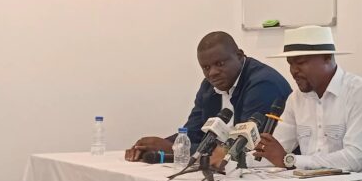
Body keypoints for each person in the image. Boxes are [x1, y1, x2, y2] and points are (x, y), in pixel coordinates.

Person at [125, 31, 291, 160]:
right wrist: (156, 146)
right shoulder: (209, 86)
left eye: (220, 64)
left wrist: (175, 149)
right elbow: (193, 132)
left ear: (239, 56)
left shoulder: (263, 84)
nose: (212, 73)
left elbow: (243, 146)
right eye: (206, 67)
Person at [252, 25, 362, 172]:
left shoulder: (361, 93)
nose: (293, 71)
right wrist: (235, 160)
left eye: (300, 63)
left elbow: (356, 158)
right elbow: (274, 153)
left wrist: (291, 161)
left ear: (327, 57)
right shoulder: (295, 99)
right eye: (290, 64)